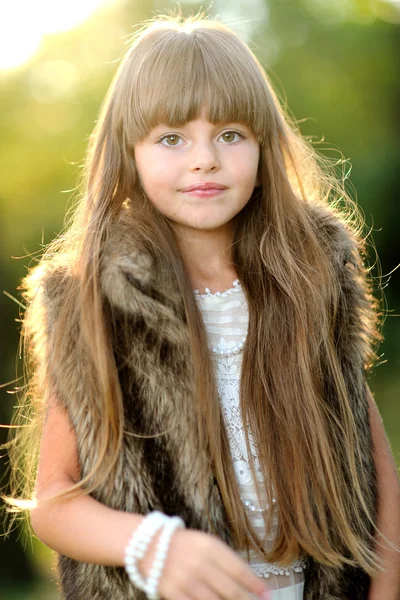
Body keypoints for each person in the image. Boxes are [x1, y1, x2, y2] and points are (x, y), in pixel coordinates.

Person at [2, 11, 399, 600]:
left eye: (231, 134)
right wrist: (155, 547)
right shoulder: (91, 300)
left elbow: (374, 470)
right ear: (128, 153)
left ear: (264, 147)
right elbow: (55, 503)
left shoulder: (313, 281)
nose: (204, 159)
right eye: (171, 138)